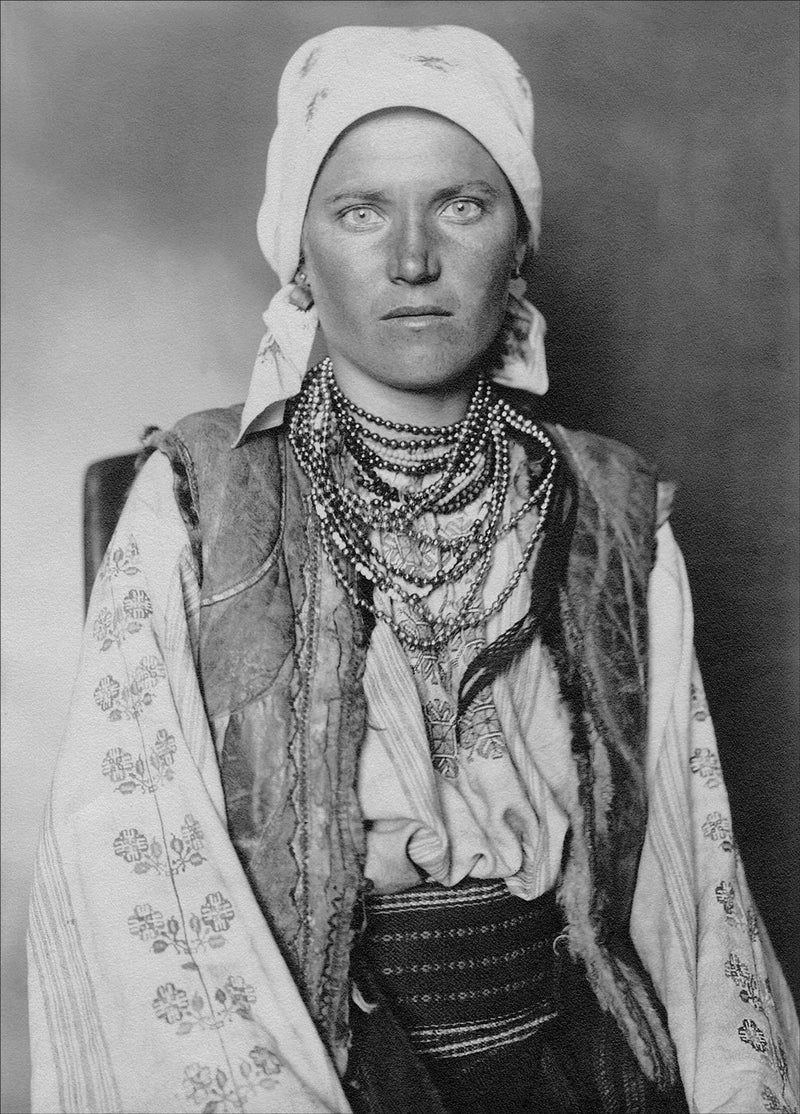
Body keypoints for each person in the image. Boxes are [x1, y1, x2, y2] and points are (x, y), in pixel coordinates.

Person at [27, 24, 798, 1114]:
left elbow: (695, 879)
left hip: (574, 1070)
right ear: (299, 251)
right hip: (316, 1066)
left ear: (517, 241)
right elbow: (134, 868)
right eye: (358, 210)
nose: (410, 258)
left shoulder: (609, 512)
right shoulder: (202, 497)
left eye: (460, 205)